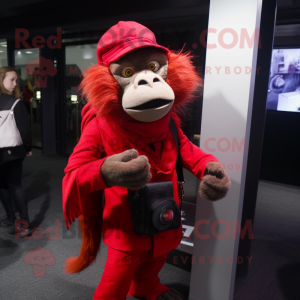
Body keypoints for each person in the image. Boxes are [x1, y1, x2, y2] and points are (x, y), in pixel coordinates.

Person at [0, 66, 32, 235]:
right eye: (11, 79)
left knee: (2, 186)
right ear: (1, 80)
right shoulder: (16, 103)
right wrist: (28, 147)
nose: (14, 83)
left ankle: (11, 218)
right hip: (13, 151)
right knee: (15, 185)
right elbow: (25, 130)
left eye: (15, 80)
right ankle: (23, 223)